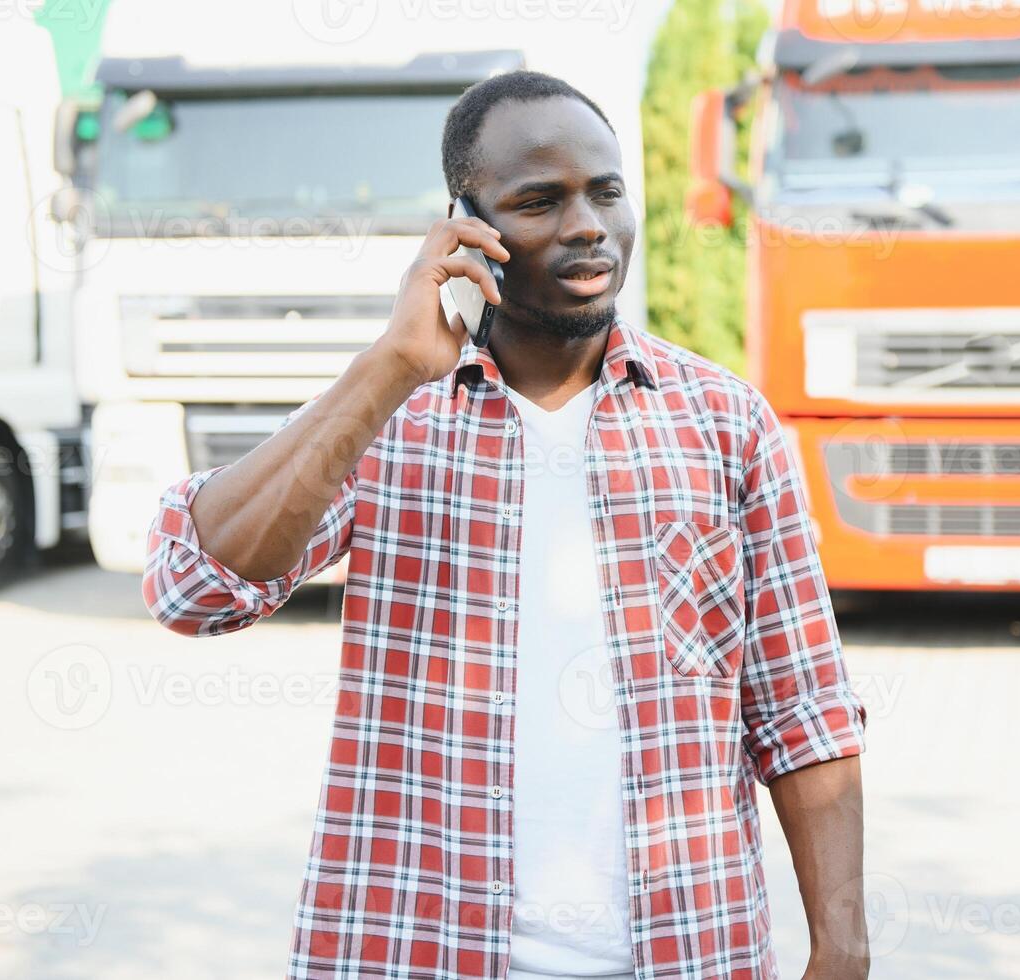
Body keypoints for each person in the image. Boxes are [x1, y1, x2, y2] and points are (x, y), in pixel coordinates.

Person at [142, 69, 869, 980]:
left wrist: (842, 948)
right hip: (423, 953)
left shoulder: (725, 423)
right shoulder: (388, 419)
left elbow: (801, 710)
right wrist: (390, 365)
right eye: (539, 201)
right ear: (464, 226)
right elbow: (191, 589)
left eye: (605, 191)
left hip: (688, 953)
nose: (586, 226)